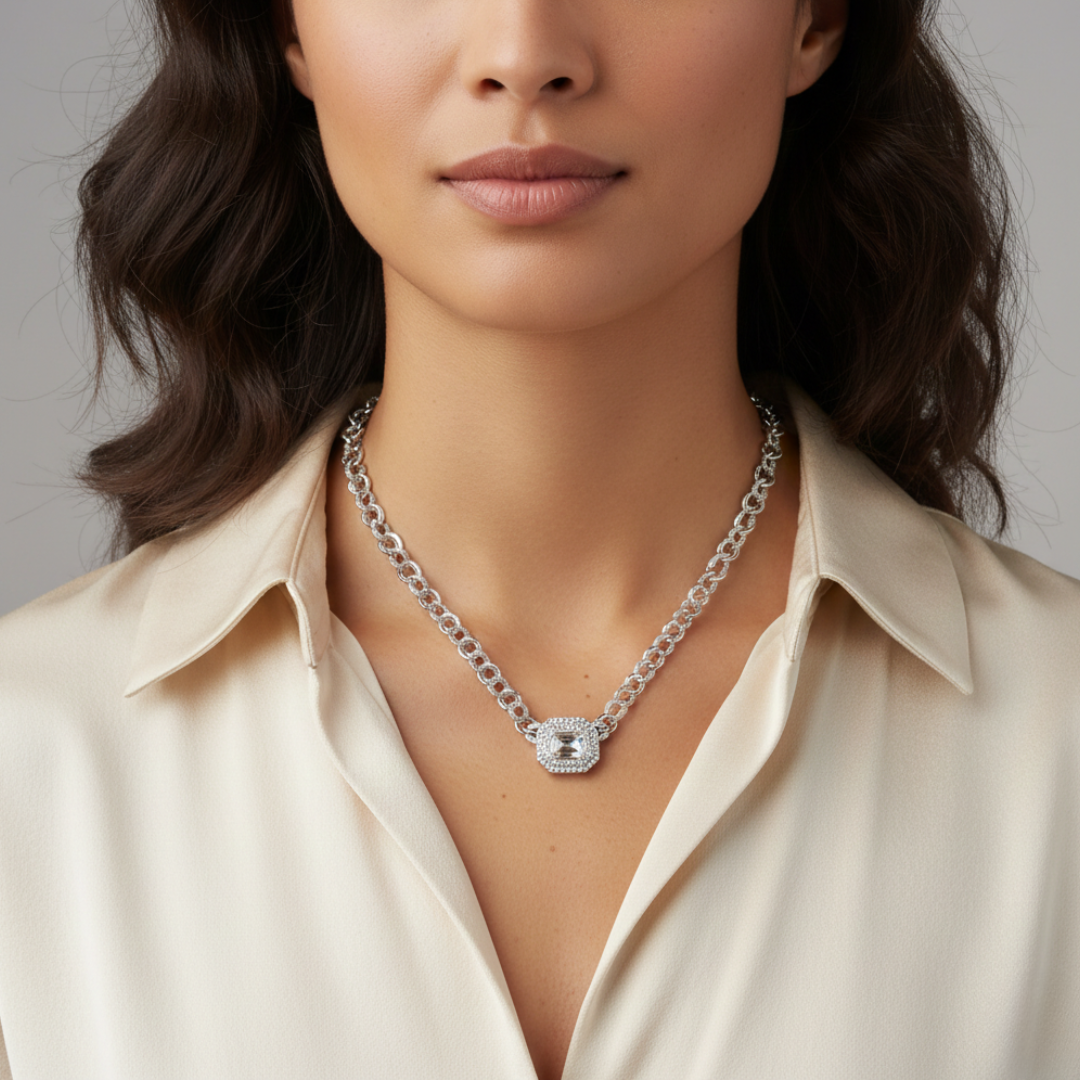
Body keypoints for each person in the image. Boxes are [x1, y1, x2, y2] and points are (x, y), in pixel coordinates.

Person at [0, 0, 1077, 1076]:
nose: (524, 55)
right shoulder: (34, 753)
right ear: (286, 28)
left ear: (816, 20)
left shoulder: (1055, 744)